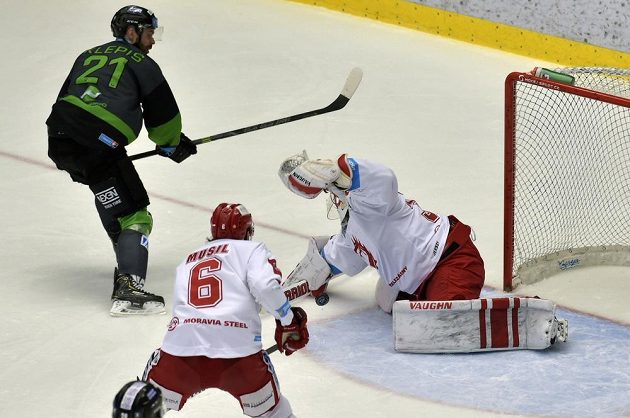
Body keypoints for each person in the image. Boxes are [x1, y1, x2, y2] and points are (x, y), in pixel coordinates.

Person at [45, 5, 197, 315]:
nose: (152, 41)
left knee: (110, 191)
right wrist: (171, 145)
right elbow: (164, 119)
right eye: (149, 32)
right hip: (98, 139)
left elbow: (66, 98)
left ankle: (127, 259)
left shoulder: (87, 54)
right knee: (136, 215)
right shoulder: (143, 64)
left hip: (60, 136)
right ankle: (129, 288)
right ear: (132, 31)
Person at [141, 203, 308, 417]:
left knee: (143, 408)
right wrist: (288, 319)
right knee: (275, 412)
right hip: (240, 358)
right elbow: (266, 286)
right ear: (247, 231)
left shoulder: (187, 260)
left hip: (180, 354)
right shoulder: (252, 249)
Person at [278, 151, 485, 313]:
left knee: (444, 322)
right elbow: (323, 264)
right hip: (423, 278)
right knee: (387, 301)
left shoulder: (371, 203)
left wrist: (339, 171)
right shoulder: (351, 236)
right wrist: (288, 289)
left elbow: (384, 179)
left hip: (450, 262)